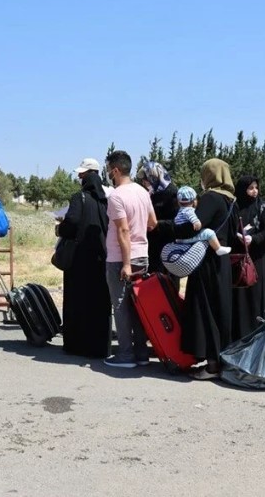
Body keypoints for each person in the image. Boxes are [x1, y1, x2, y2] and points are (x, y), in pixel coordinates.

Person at [164, 159, 236, 380]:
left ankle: (212, 364)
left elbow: (193, 227)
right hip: (221, 262)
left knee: (205, 309)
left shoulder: (211, 198)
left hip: (205, 262)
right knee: (218, 309)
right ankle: (218, 360)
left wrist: (166, 227)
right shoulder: (231, 201)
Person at [102, 150, 157, 368]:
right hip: (142, 255)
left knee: (121, 307)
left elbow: (123, 230)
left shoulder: (116, 195)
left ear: (115, 170)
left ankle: (125, 355)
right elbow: (152, 222)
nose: (108, 173)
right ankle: (141, 353)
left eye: (108, 169)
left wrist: (125, 263)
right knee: (138, 307)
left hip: (121, 258)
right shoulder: (143, 192)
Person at [57, 159, 111, 358]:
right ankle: (99, 346)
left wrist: (60, 228)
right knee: (99, 301)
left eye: (82, 175)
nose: (79, 178)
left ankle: (76, 344)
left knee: (77, 299)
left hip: (80, 258)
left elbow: (71, 222)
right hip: (102, 256)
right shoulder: (107, 199)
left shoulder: (79, 198)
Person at [231, 175, 265, 339]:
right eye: (250, 188)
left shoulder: (263, 207)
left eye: (256, 187)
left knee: (257, 296)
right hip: (239, 259)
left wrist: (254, 239)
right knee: (240, 297)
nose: (254, 191)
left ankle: (259, 335)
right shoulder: (234, 207)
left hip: (258, 259)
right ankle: (239, 335)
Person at [136, 161, 179, 273]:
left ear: (153, 177)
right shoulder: (152, 194)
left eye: (145, 179)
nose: (144, 183)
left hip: (168, 249)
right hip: (152, 248)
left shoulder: (172, 193)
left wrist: (157, 224)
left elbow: (177, 222)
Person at [173, 186, 232, 255]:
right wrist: (196, 222)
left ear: (179, 202)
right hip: (187, 238)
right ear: (194, 201)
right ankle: (218, 249)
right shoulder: (189, 210)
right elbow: (191, 216)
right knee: (209, 233)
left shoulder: (180, 211)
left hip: (179, 239)